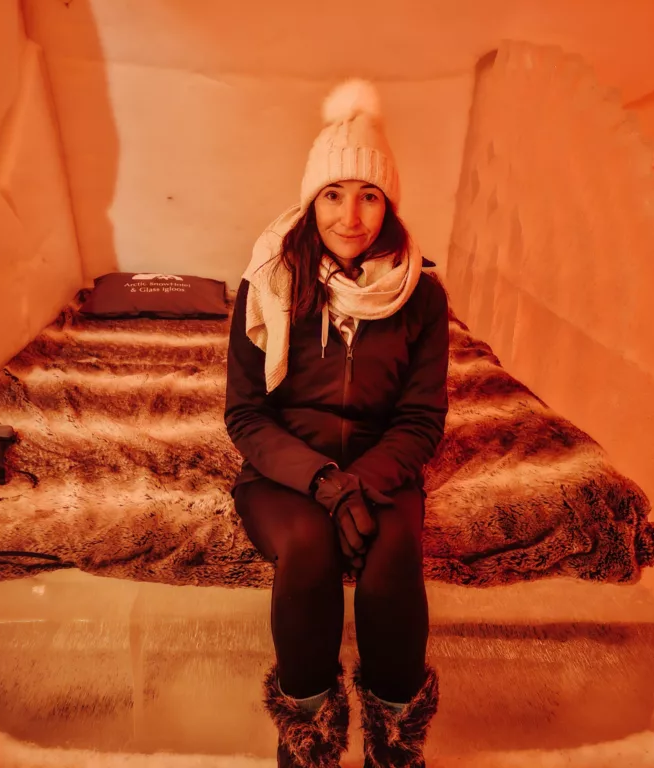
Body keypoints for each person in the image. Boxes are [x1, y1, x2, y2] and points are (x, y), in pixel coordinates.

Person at [225, 79, 449, 768]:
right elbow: (245, 413)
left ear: (389, 203)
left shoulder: (423, 297)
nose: (351, 215)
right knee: (310, 553)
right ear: (311, 199)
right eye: (333, 194)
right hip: (286, 471)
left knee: (390, 562)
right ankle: (309, 743)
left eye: (369, 195)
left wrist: (363, 481)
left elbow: (420, 418)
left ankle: (394, 745)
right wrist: (324, 482)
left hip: (380, 467)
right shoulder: (268, 283)